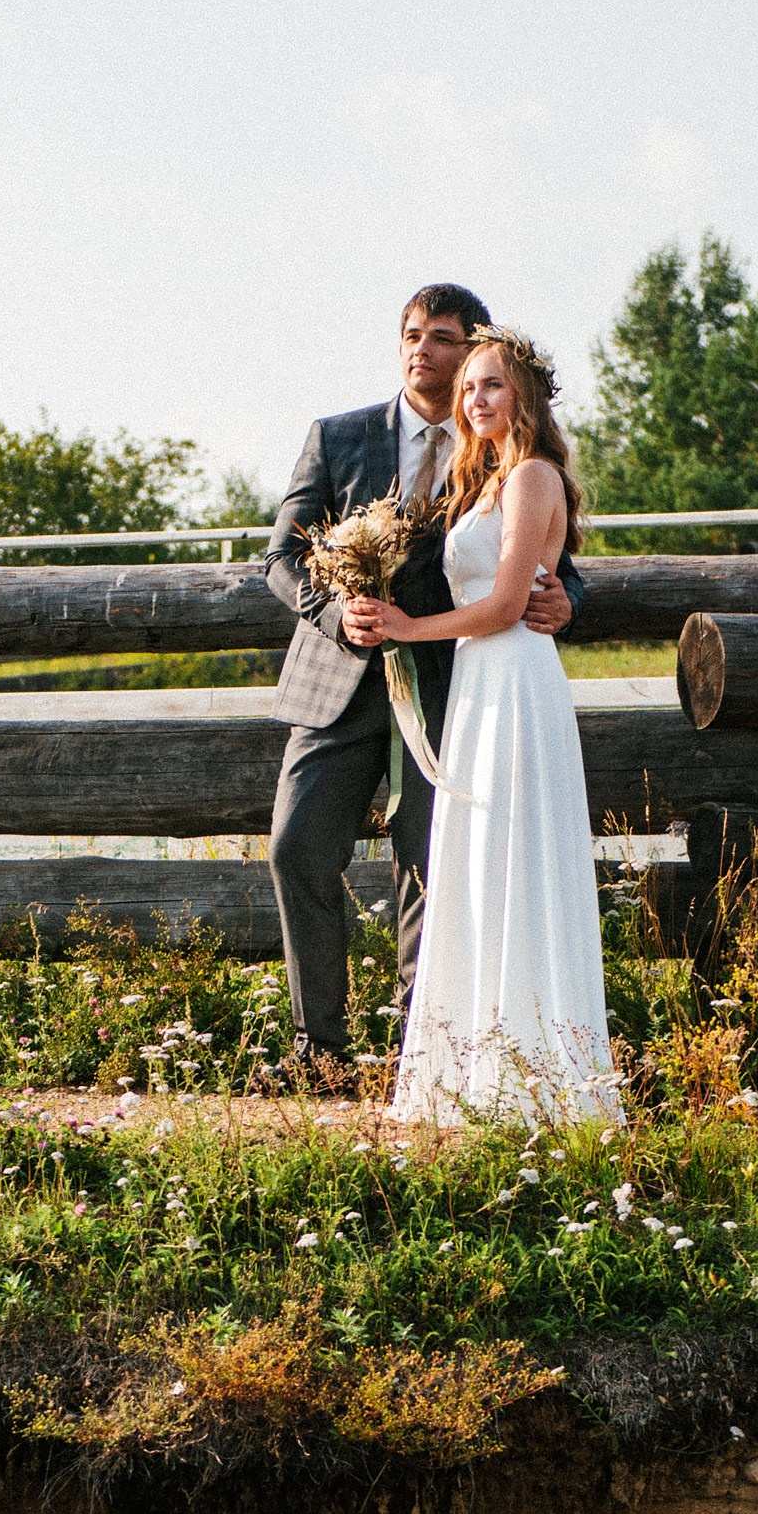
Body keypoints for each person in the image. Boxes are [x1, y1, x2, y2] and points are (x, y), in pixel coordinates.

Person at [265, 283, 580, 1072]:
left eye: (442, 338)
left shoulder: (494, 455)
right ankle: (318, 1051)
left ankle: (422, 1057)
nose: (421, 350)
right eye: (410, 333)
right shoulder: (335, 437)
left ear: (475, 352)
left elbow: (554, 560)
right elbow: (280, 555)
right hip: (336, 680)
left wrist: (560, 602)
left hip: (453, 687)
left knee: (433, 867)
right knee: (295, 848)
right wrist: (339, 613)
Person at [345, 327, 617, 1125]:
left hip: (514, 680)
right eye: (469, 388)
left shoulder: (533, 477)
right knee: (475, 863)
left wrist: (401, 627)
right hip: (475, 687)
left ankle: (535, 1073)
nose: (474, 399)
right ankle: (472, 1067)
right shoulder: (481, 482)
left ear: (524, 395)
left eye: (491, 385)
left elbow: (503, 607)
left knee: (516, 859)